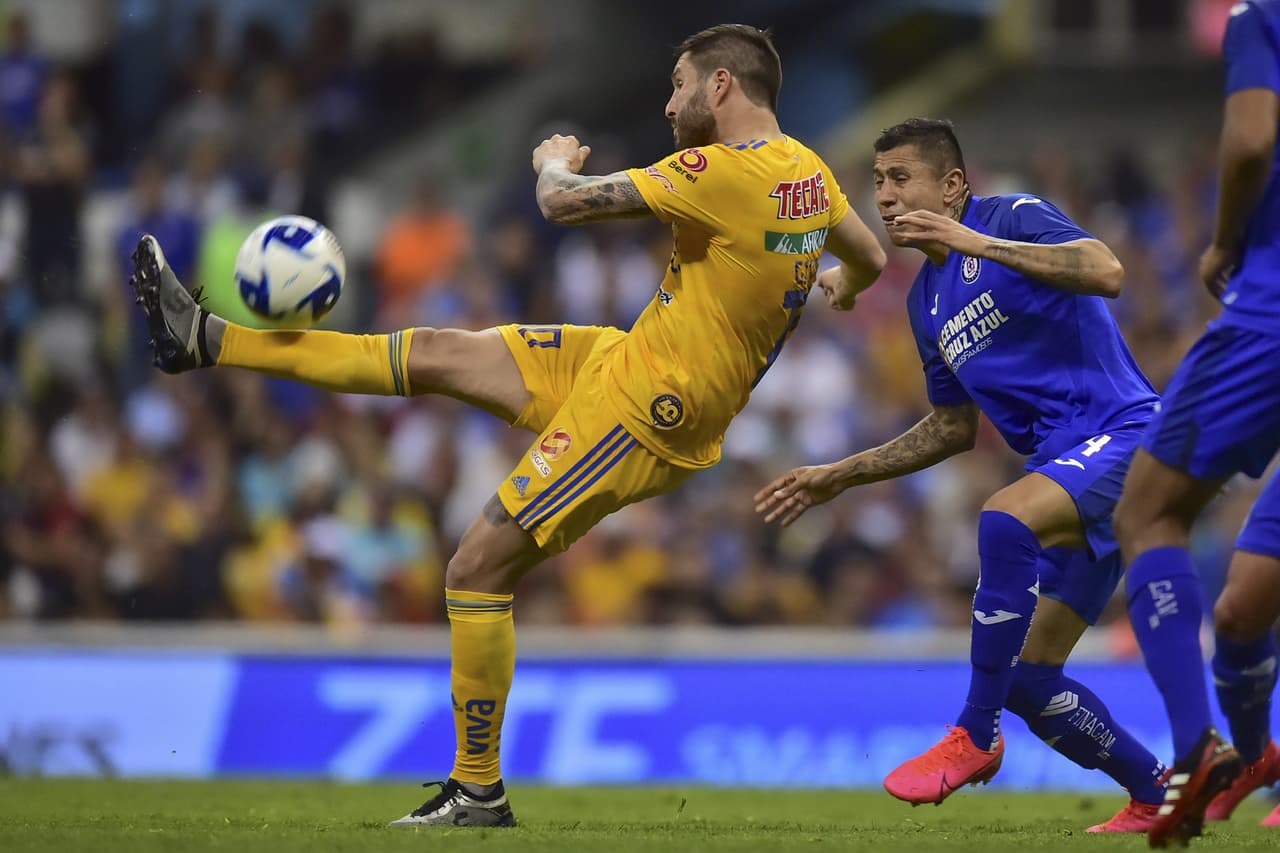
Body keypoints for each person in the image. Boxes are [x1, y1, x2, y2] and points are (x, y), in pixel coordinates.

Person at [127, 24, 886, 827]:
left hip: (648, 411)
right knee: (433, 351)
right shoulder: (807, 170)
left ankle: (477, 789)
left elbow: (560, 202)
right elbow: (867, 254)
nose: (669, 104)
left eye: (680, 85)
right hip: (627, 358)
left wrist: (551, 157)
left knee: (476, 567)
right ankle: (205, 340)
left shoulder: (718, 170)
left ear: (723, 87)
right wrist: (836, 282)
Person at [755, 118, 1168, 833]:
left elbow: (1108, 271)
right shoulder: (926, 303)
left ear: (951, 186)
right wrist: (841, 475)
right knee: (1032, 681)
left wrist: (977, 242)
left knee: (1004, 518)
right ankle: (1157, 790)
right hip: (1069, 477)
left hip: (1127, 437)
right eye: (878, 182)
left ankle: (974, 733)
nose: (884, 196)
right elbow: (953, 428)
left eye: (901, 178)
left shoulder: (1013, 216)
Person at [1112, 0, 1280, 845]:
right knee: (1247, 605)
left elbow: (1251, 139)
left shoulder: (1263, 17)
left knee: (1146, 511)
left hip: (1270, 317)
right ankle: (1251, 756)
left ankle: (1194, 746)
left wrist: (1222, 244)